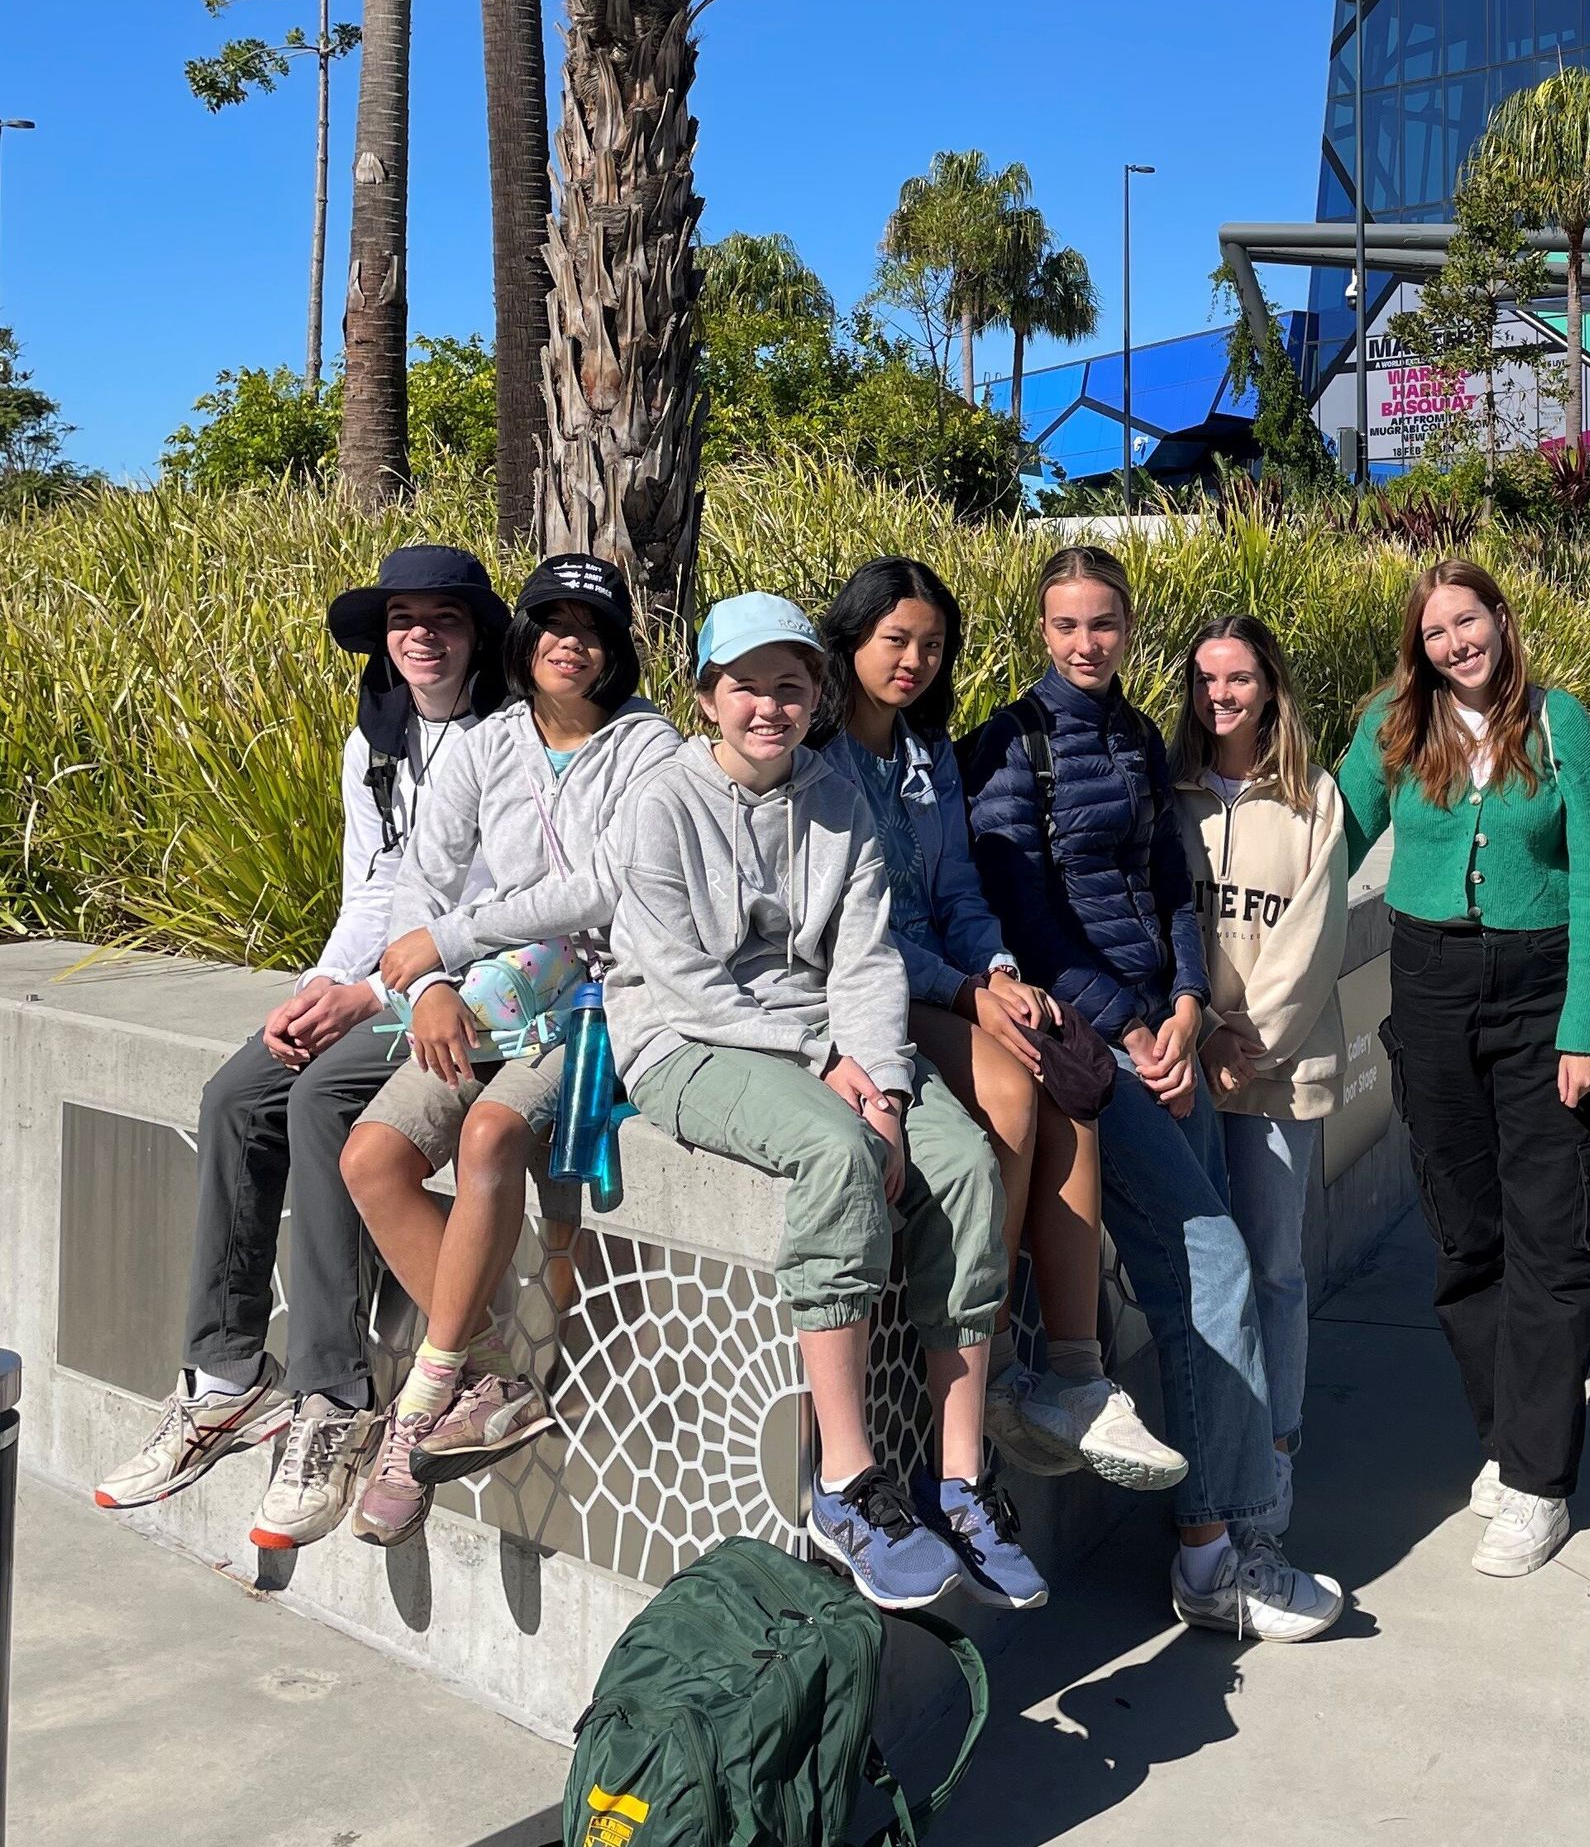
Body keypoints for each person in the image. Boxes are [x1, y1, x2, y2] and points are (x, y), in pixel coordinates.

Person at [605, 592, 1033, 1613]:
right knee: (838, 1155)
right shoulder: (661, 804)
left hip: (832, 1038)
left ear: (815, 693)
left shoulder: (839, 797)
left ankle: (958, 1477)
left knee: (964, 1163)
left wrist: (884, 1081)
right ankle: (845, 1479)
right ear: (707, 695)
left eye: (790, 686)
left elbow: (866, 958)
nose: (769, 706)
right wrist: (825, 1063)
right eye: (746, 686)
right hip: (688, 1041)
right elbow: (681, 982)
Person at [964, 545, 1343, 1643]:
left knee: (1207, 1283)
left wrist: (1183, 1005)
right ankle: (1219, 1556)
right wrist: (1132, 1029)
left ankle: (1219, 1539)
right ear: (1042, 630)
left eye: (1105, 624)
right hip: (1089, 1048)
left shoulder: (1136, 737)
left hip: (1161, 1036)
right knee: (1213, 1266)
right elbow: (1027, 919)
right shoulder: (1009, 744)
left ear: (1129, 629)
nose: (1087, 643)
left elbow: (1168, 886)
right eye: (1067, 625)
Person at [95, 545, 508, 1552]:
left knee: (325, 1092)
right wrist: (316, 990)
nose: (421, 636)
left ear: (479, 634)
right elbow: (373, 888)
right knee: (239, 1092)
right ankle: (225, 1376)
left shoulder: (506, 737)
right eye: (402, 619)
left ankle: (334, 1395)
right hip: (386, 978)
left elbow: (491, 907)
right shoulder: (378, 736)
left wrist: (371, 994)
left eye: (445, 618)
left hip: (479, 988)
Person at [819, 555, 1184, 1498]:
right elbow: (854, 929)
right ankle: (1001, 1359)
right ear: (851, 639)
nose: (914, 661)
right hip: (869, 987)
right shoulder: (818, 762)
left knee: (1070, 1080)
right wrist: (964, 991)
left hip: (952, 974)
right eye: (895, 640)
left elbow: (959, 892)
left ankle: (1076, 1373)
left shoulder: (927, 754)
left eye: (932, 644)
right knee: (1015, 1087)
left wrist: (1002, 973)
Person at [339, 554, 678, 1545]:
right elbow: (420, 877)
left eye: (592, 628)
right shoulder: (489, 743)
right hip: (491, 995)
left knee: (490, 1136)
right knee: (372, 1158)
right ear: (523, 638)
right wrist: (433, 986)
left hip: (603, 1000)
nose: (571, 643)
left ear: (615, 648)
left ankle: (420, 1405)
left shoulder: (649, 746)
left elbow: (609, 884)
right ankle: (490, 1372)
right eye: (553, 623)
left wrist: (450, 942)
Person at [1335, 559, 1590, 1582]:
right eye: (1435, 631)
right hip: (1429, 984)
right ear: (1418, 647)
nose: (1456, 643)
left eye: (1469, 620)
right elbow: (1329, 839)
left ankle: (1539, 1481)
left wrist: (1588, 1028)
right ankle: (1509, 1438)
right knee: (1465, 1233)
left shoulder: (1559, 721)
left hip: (1545, 990)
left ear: (1501, 618)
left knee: (1552, 1228)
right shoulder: (1393, 725)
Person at [1170, 614, 1350, 1530]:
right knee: (1210, 1272)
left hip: (1277, 1072)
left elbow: (1315, 936)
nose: (1221, 696)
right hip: (1188, 1064)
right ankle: (1219, 1453)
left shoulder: (1313, 796)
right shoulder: (1172, 793)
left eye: (1237, 678)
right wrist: (1202, 1035)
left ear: (1270, 685)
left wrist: (1248, 1042)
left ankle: (1275, 1448)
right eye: (1205, 680)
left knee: (1275, 1266)